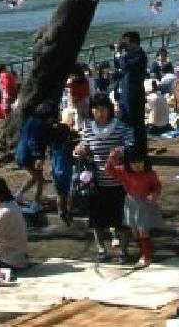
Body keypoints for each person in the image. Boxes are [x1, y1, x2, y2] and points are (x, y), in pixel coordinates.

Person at [75, 91, 133, 262]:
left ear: (109, 109)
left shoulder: (120, 127)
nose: (100, 113)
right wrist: (80, 150)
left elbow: (130, 143)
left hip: (119, 182)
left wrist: (121, 151)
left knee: (121, 219)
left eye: (103, 109)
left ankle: (123, 250)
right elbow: (83, 145)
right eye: (96, 109)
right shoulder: (88, 129)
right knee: (97, 219)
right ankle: (101, 248)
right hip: (97, 183)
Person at [105, 145, 162, 266]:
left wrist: (154, 194)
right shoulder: (123, 171)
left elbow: (157, 186)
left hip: (145, 202)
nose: (137, 166)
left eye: (140, 162)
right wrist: (111, 159)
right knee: (135, 231)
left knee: (143, 230)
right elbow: (109, 171)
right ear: (128, 163)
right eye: (133, 163)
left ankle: (146, 256)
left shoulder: (149, 173)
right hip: (130, 202)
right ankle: (142, 252)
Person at [15, 101, 56, 212]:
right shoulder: (39, 125)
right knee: (40, 180)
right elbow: (35, 141)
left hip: (22, 153)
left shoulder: (31, 120)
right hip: (29, 156)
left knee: (34, 177)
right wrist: (39, 157)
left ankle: (18, 196)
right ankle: (36, 203)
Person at [118, 31, 148, 155]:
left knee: (136, 124)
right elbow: (119, 65)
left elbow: (125, 66)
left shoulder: (140, 56)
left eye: (127, 43)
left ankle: (140, 151)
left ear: (135, 43)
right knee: (124, 121)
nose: (126, 46)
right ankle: (130, 148)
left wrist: (120, 53)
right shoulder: (129, 55)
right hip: (125, 94)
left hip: (134, 95)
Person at [50, 122, 73, 224]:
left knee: (59, 194)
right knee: (68, 193)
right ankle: (69, 211)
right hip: (67, 171)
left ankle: (60, 212)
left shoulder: (53, 145)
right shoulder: (67, 145)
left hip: (56, 171)